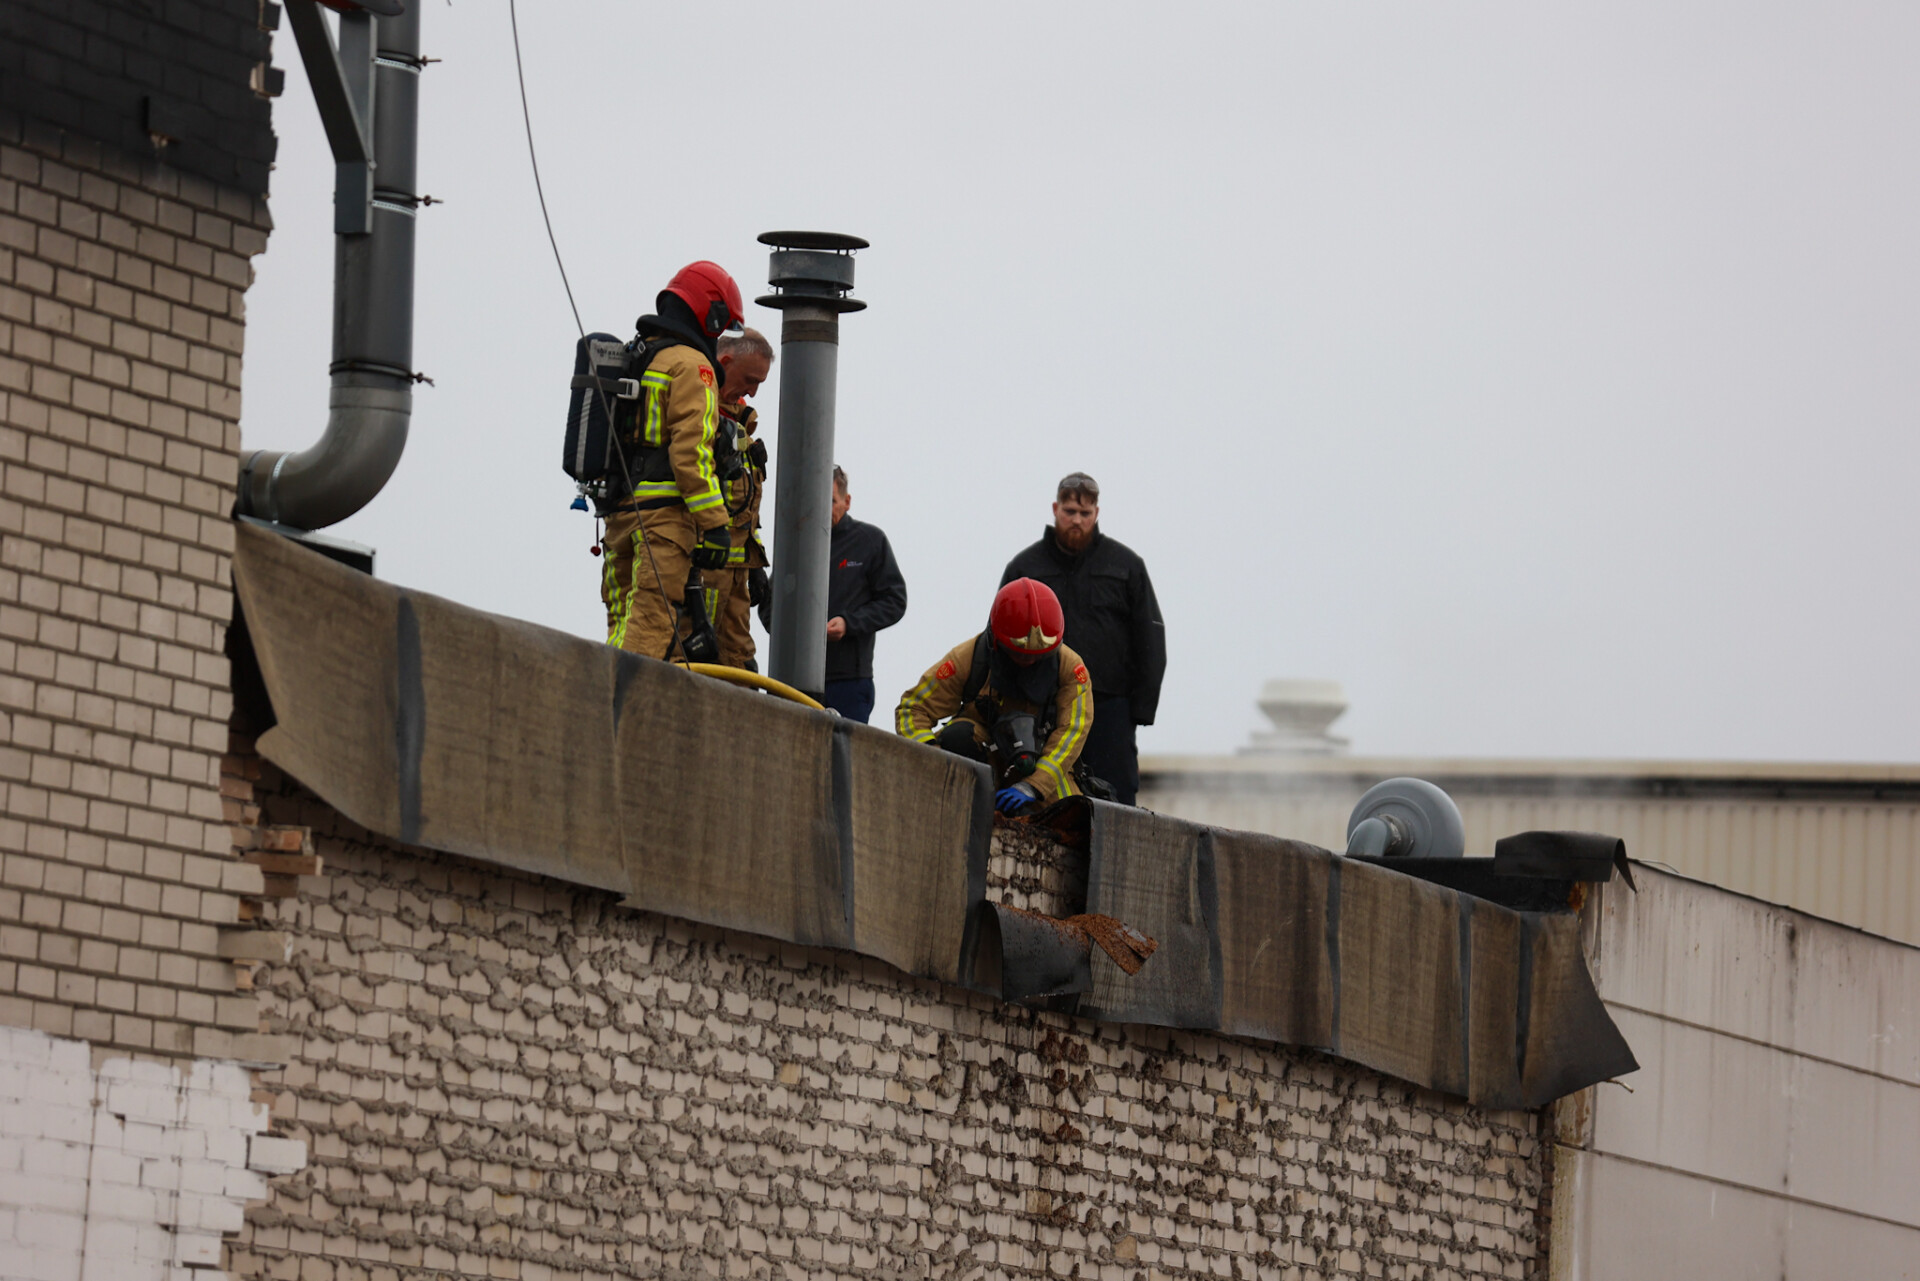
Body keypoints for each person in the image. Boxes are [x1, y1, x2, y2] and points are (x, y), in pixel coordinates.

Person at [601, 261, 746, 661]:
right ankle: (624, 716)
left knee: (622, 622)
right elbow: (690, 456)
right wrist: (715, 524)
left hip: (619, 515)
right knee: (649, 628)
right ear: (710, 312)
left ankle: (598, 703)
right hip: (663, 524)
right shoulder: (693, 366)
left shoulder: (642, 355)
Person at [1000, 472, 1164, 805]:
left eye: (1085, 513)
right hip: (1041, 704)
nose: (1077, 520)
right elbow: (999, 633)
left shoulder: (1127, 566)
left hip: (1109, 708)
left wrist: (1140, 710)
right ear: (1055, 509)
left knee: (1114, 799)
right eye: (1070, 511)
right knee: (1042, 795)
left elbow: (1150, 637)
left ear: (1097, 514)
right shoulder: (1024, 567)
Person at [896, 578, 1093, 815]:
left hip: (1041, 762)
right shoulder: (968, 658)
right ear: (996, 640)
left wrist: (1034, 786)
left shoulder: (1071, 670)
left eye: (1037, 657)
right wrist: (934, 760)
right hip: (984, 755)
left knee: (1070, 816)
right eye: (1019, 654)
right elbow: (913, 709)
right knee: (958, 736)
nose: (1028, 662)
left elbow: (1072, 732)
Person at [822, 465, 907, 722]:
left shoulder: (869, 541)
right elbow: (770, 603)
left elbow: (895, 601)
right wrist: (790, 631)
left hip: (848, 681)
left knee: (843, 759)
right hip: (792, 676)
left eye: (832, 502)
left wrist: (850, 623)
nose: (824, 510)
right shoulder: (796, 542)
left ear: (847, 502)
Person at [715, 328, 773, 670]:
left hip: (737, 573)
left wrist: (755, 563)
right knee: (693, 654)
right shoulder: (697, 413)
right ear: (724, 363)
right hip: (703, 570)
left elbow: (745, 507)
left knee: (739, 667)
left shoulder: (738, 427)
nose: (752, 392)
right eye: (750, 379)